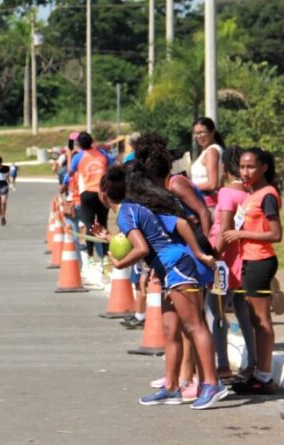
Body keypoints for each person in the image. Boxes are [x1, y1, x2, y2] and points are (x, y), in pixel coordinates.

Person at [95, 166, 227, 409]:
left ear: (103, 195)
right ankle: (171, 388)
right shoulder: (137, 209)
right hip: (169, 269)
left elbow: (141, 248)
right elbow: (179, 223)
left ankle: (212, 383)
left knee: (194, 326)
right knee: (170, 329)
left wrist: (118, 263)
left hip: (177, 266)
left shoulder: (126, 213)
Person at [223, 147, 281, 395]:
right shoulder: (251, 193)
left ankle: (265, 378)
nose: (245, 172)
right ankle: (258, 373)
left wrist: (241, 234)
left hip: (260, 261)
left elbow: (276, 234)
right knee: (255, 320)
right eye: (243, 167)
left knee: (262, 321)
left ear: (264, 167)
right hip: (249, 261)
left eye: (251, 167)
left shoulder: (267, 194)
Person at [206, 146, 255, 382]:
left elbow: (224, 230)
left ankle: (222, 365)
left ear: (225, 167)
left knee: (213, 313)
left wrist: (213, 257)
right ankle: (252, 362)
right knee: (243, 313)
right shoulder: (249, 194)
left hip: (224, 261)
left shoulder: (226, 193)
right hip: (242, 259)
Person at [64, 132, 109, 263]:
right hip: (103, 192)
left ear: (79, 144)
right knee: (103, 223)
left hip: (87, 192)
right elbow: (113, 163)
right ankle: (105, 256)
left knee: (90, 225)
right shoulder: (102, 154)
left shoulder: (79, 157)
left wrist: (68, 156)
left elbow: (70, 172)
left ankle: (90, 256)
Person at [191, 117, 225, 209]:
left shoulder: (212, 151)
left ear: (212, 132)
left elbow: (212, 184)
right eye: (196, 133)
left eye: (202, 132)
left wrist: (188, 186)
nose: (199, 136)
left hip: (208, 204)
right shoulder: (206, 150)